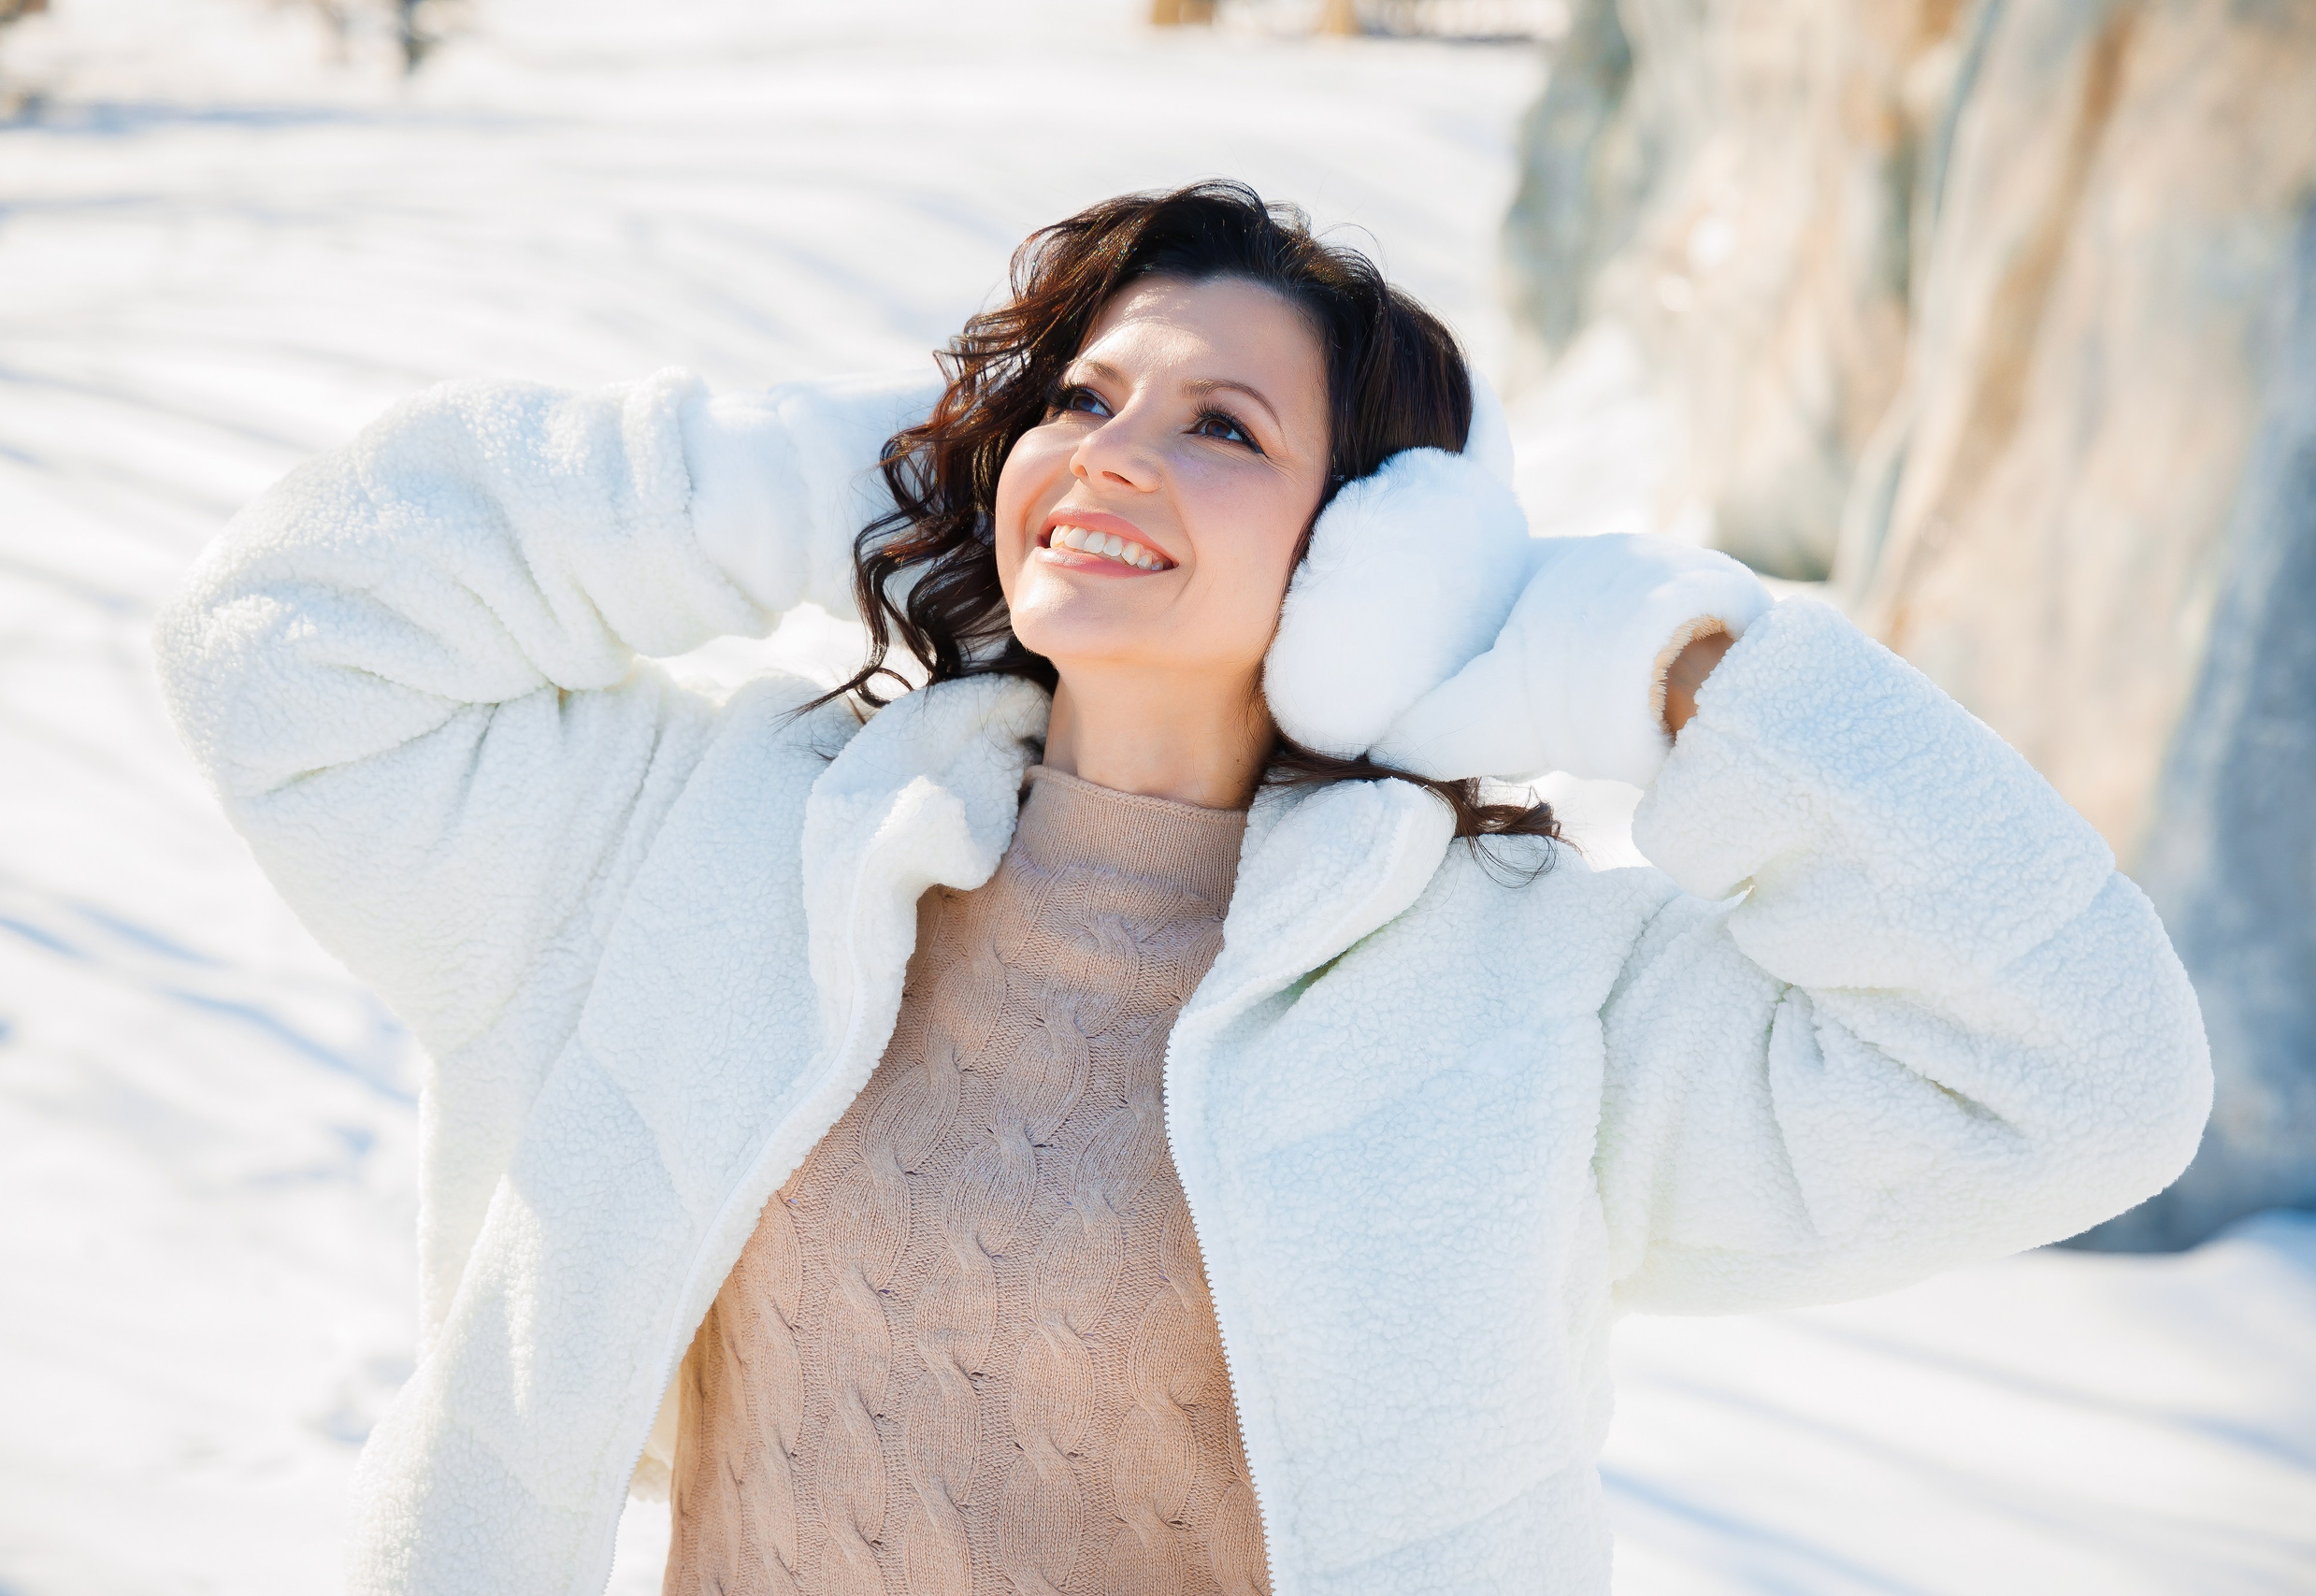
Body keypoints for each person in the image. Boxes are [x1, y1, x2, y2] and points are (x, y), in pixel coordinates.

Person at [156, 182, 2210, 1596]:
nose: (1112, 451)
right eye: (1076, 399)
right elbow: (290, 637)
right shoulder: (714, 840)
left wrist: (1639, 659)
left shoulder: (1513, 999)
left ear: (1370, 553)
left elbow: (2076, 1077)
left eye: (1219, 424)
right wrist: (868, 478)